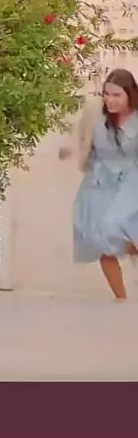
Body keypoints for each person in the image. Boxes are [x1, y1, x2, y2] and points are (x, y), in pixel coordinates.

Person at [60, 69, 138, 300]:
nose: (109, 100)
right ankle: (121, 299)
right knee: (97, 238)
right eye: (107, 94)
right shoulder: (96, 112)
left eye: (116, 95)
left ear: (129, 95)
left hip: (131, 179)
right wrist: (69, 149)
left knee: (117, 226)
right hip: (98, 179)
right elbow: (79, 133)